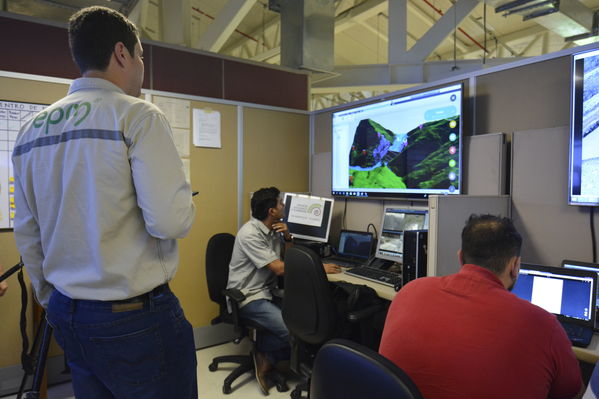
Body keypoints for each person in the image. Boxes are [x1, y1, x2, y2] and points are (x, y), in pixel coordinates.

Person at [11, 6, 197, 399]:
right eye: (141, 56)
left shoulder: (31, 129)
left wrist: (53, 299)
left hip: (67, 312)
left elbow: (28, 232)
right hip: (133, 317)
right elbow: (169, 222)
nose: (142, 66)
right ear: (121, 54)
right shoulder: (138, 116)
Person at [379, 214, 583, 399]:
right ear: (515, 266)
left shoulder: (410, 291)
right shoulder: (543, 324)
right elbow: (571, 392)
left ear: (460, 257)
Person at [227, 186, 341, 394]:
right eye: (280, 203)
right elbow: (279, 269)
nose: (284, 206)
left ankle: (265, 354)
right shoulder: (250, 234)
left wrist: (288, 238)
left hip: (268, 292)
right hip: (248, 296)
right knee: (293, 330)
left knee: (306, 318)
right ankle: (265, 355)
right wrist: (319, 268)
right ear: (271, 211)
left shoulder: (273, 230)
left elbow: (285, 260)